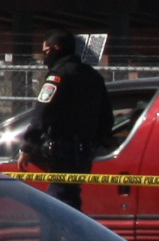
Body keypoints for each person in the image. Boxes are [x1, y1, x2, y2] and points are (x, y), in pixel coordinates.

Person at [21, 30, 112, 207]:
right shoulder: (93, 76)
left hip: (63, 150)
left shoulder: (58, 76)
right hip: (85, 150)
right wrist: (96, 143)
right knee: (69, 196)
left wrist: (28, 146)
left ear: (56, 49)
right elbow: (106, 117)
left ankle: (59, 226)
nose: (44, 57)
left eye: (46, 52)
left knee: (58, 201)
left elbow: (42, 113)